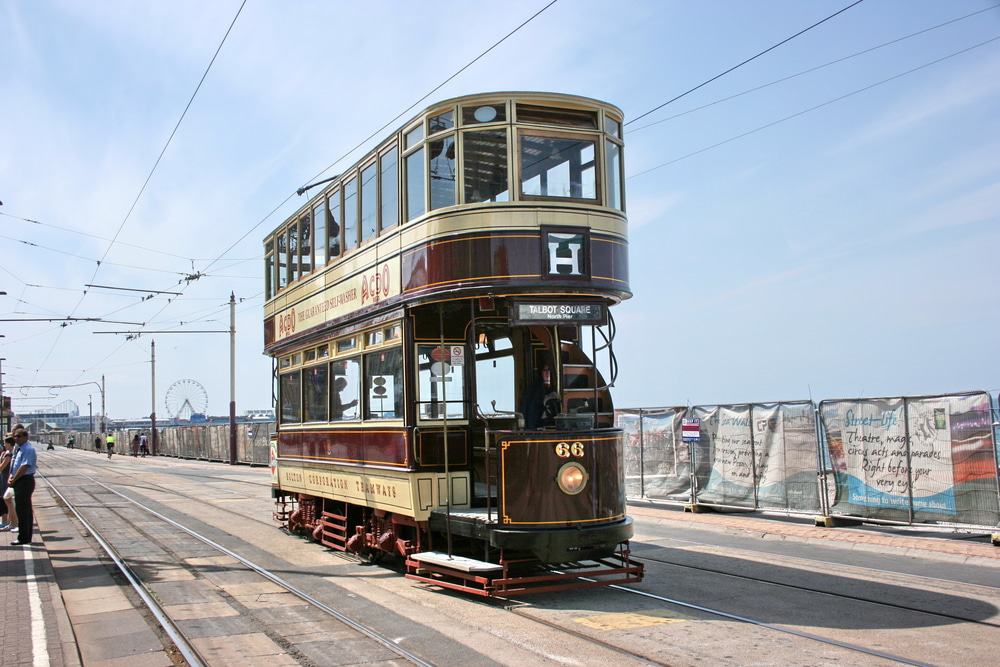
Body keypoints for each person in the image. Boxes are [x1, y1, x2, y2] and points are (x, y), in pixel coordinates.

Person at [8, 428, 37, 545]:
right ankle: (25, 536)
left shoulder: (28, 449)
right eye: (14, 436)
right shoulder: (18, 449)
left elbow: (24, 466)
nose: (16, 438)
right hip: (19, 481)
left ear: (25, 437)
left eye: (18, 436)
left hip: (24, 481)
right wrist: (11, 476)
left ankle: (24, 538)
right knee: (23, 510)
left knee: (23, 511)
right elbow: (14, 464)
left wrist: (14, 479)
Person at [0, 435, 15, 533]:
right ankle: (7, 521)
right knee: (5, 499)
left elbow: (1, 467)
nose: (4, 444)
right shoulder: (6, 453)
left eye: (5, 443)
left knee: (5, 499)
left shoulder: (8, 455)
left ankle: (7, 521)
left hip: (5, 480)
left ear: (9, 444)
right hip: (3, 478)